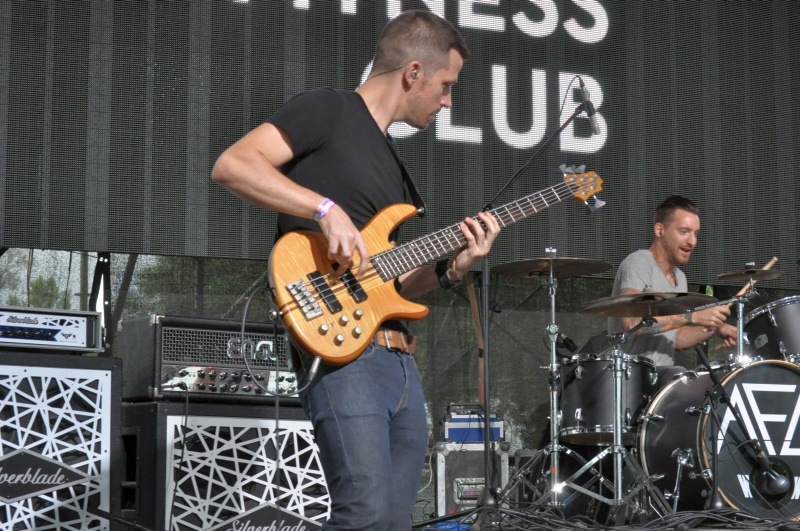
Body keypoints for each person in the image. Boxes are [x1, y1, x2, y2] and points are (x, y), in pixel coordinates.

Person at [211, 10, 501, 530]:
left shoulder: (392, 161)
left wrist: (454, 269)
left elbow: (390, 282)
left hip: (400, 362)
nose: (448, 102)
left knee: (393, 520)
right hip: (345, 356)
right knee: (364, 514)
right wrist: (324, 209)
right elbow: (233, 164)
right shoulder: (329, 109)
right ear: (413, 73)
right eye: (446, 86)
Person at [608, 195, 737, 383]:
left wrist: (713, 329)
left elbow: (676, 339)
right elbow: (631, 324)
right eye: (684, 232)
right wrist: (692, 317)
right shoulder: (638, 263)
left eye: (696, 234)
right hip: (628, 377)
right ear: (660, 230)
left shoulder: (680, 278)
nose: (692, 241)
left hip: (661, 378)